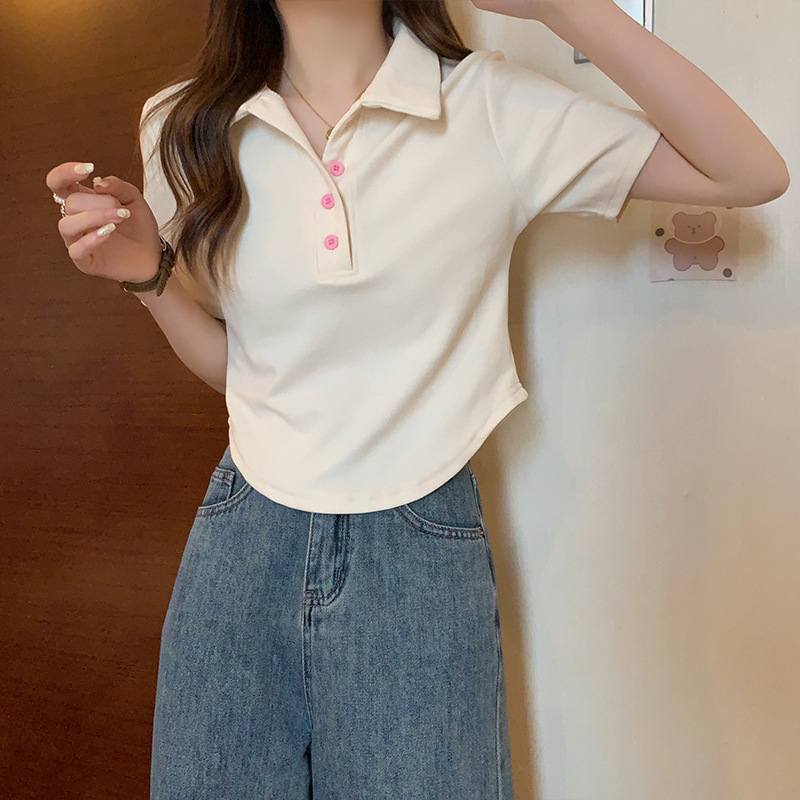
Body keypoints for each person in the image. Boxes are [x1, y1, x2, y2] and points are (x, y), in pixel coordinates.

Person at [45, 1, 788, 797]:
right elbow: (246, 370)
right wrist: (149, 277)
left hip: (419, 545)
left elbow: (747, 172)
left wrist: (558, 7)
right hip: (242, 537)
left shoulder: (489, 106)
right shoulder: (182, 123)